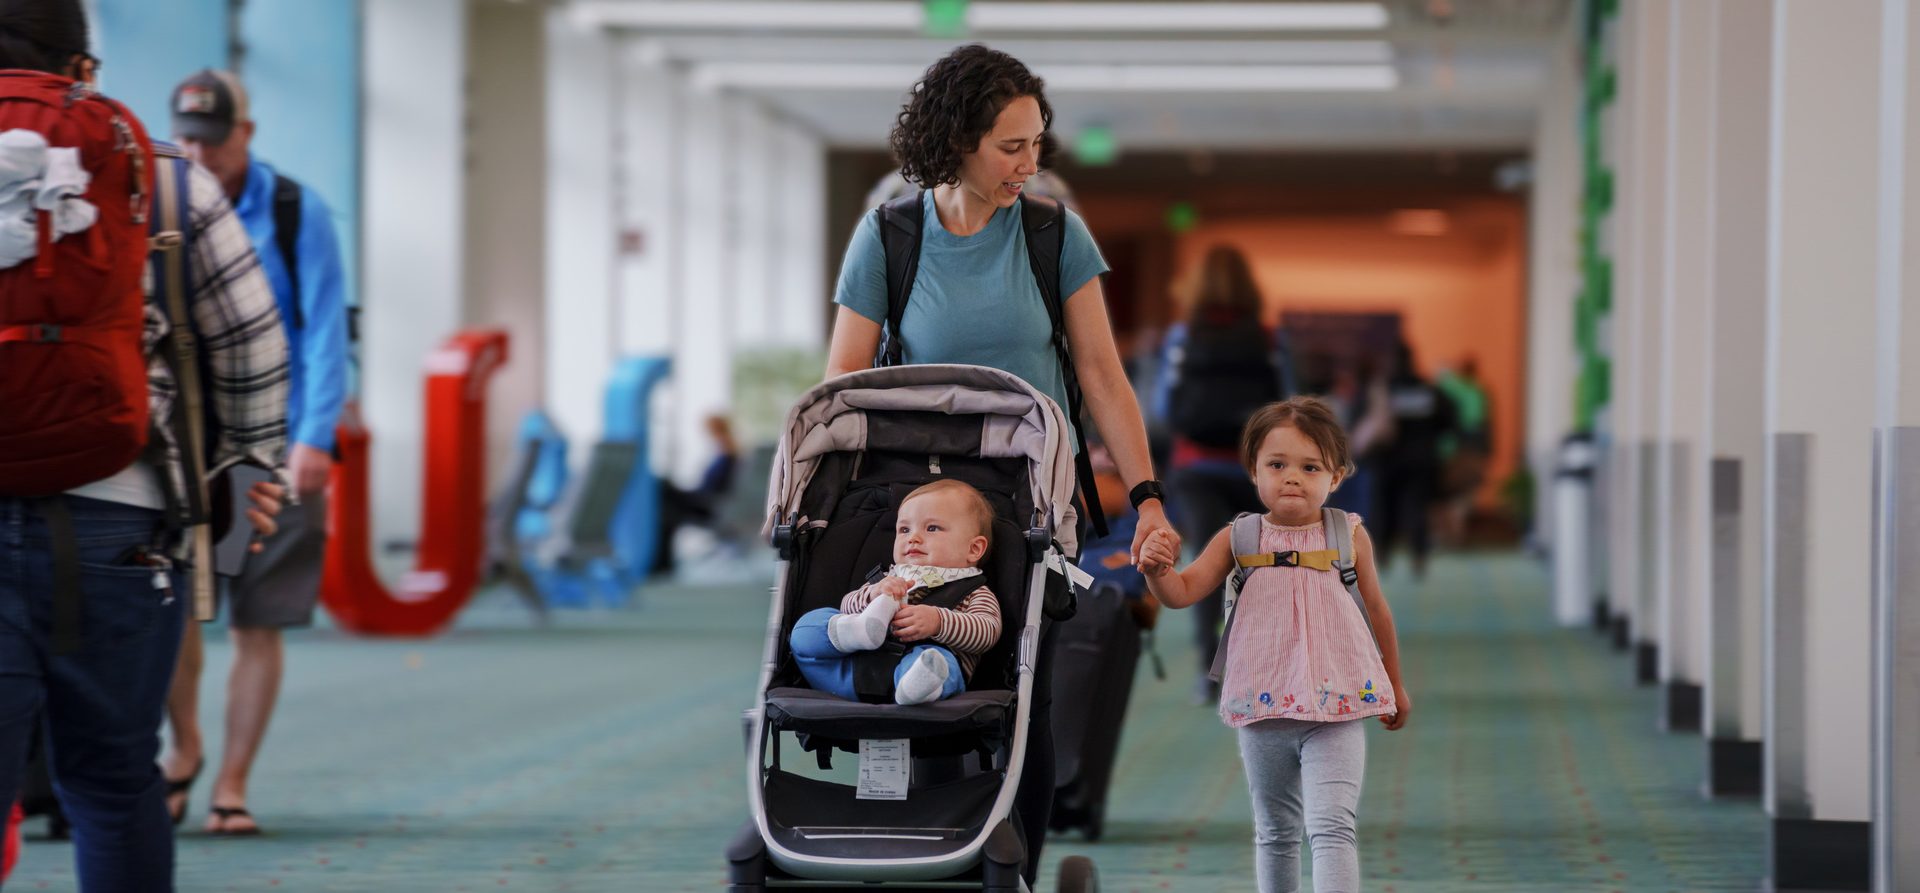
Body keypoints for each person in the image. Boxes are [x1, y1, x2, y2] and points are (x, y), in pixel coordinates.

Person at [821, 45, 1177, 882]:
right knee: (924, 686)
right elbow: (843, 378)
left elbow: (1101, 375)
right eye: (1011, 145)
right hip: (925, 506)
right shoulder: (888, 236)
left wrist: (1150, 496)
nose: (1031, 162)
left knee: (1025, 693)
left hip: (1032, 502)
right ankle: (938, 857)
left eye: (1037, 142)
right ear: (957, 141)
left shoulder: (1055, 232)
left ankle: (1015, 867)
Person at [0, 2, 288, 887]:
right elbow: (248, 341)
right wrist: (248, 463)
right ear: (83, 68)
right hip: (118, 517)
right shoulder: (162, 176)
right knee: (115, 776)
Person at [160, 68, 350, 837]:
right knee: (173, 615)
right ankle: (186, 749)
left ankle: (231, 784)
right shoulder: (165, 203)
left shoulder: (295, 210)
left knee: (254, 621)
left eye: (214, 142)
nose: (200, 158)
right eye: (186, 141)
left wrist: (316, 438)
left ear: (247, 133)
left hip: (273, 448)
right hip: (184, 450)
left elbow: (329, 328)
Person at [1137, 398, 1411, 893]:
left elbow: (1378, 612)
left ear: (1337, 476)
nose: (1292, 478)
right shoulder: (1239, 537)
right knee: (1277, 832)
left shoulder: (1348, 536)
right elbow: (1180, 594)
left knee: (1331, 827)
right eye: (1277, 465)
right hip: (1265, 712)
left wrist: (1395, 685)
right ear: (1253, 471)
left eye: (1310, 467)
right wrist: (1158, 572)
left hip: (1338, 709)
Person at [1153, 244, 1292, 703]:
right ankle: (1264, 668)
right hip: (1257, 469)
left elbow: (1161, 406)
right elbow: (1293, 404)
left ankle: (1208, 671)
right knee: (1264, 565)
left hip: (1197, 465)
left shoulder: (1182, 338)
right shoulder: (1272, 339)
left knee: (1208, 565)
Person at [787, 480, 1002, 706]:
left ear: (974, 549)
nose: (913, 538)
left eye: (932, 528)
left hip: (920, 680)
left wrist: (938, 622)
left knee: (938, 663)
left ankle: (914, 686)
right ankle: (859, 630)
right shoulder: (889, 578)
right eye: (904, 529)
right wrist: (872, 595)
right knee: (806, 628)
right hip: (850, 674)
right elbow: (846, 606)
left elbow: (987, 631)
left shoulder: (974, 591)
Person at [1374, 342, 1455, 579]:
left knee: (1384, 509)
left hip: (1388, 460)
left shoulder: (1384, 390)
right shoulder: (1428, 390)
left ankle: (1383, 553)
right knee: (1417, 510)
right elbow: (1449, 420)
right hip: (1421, 459)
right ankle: (1419, 555)